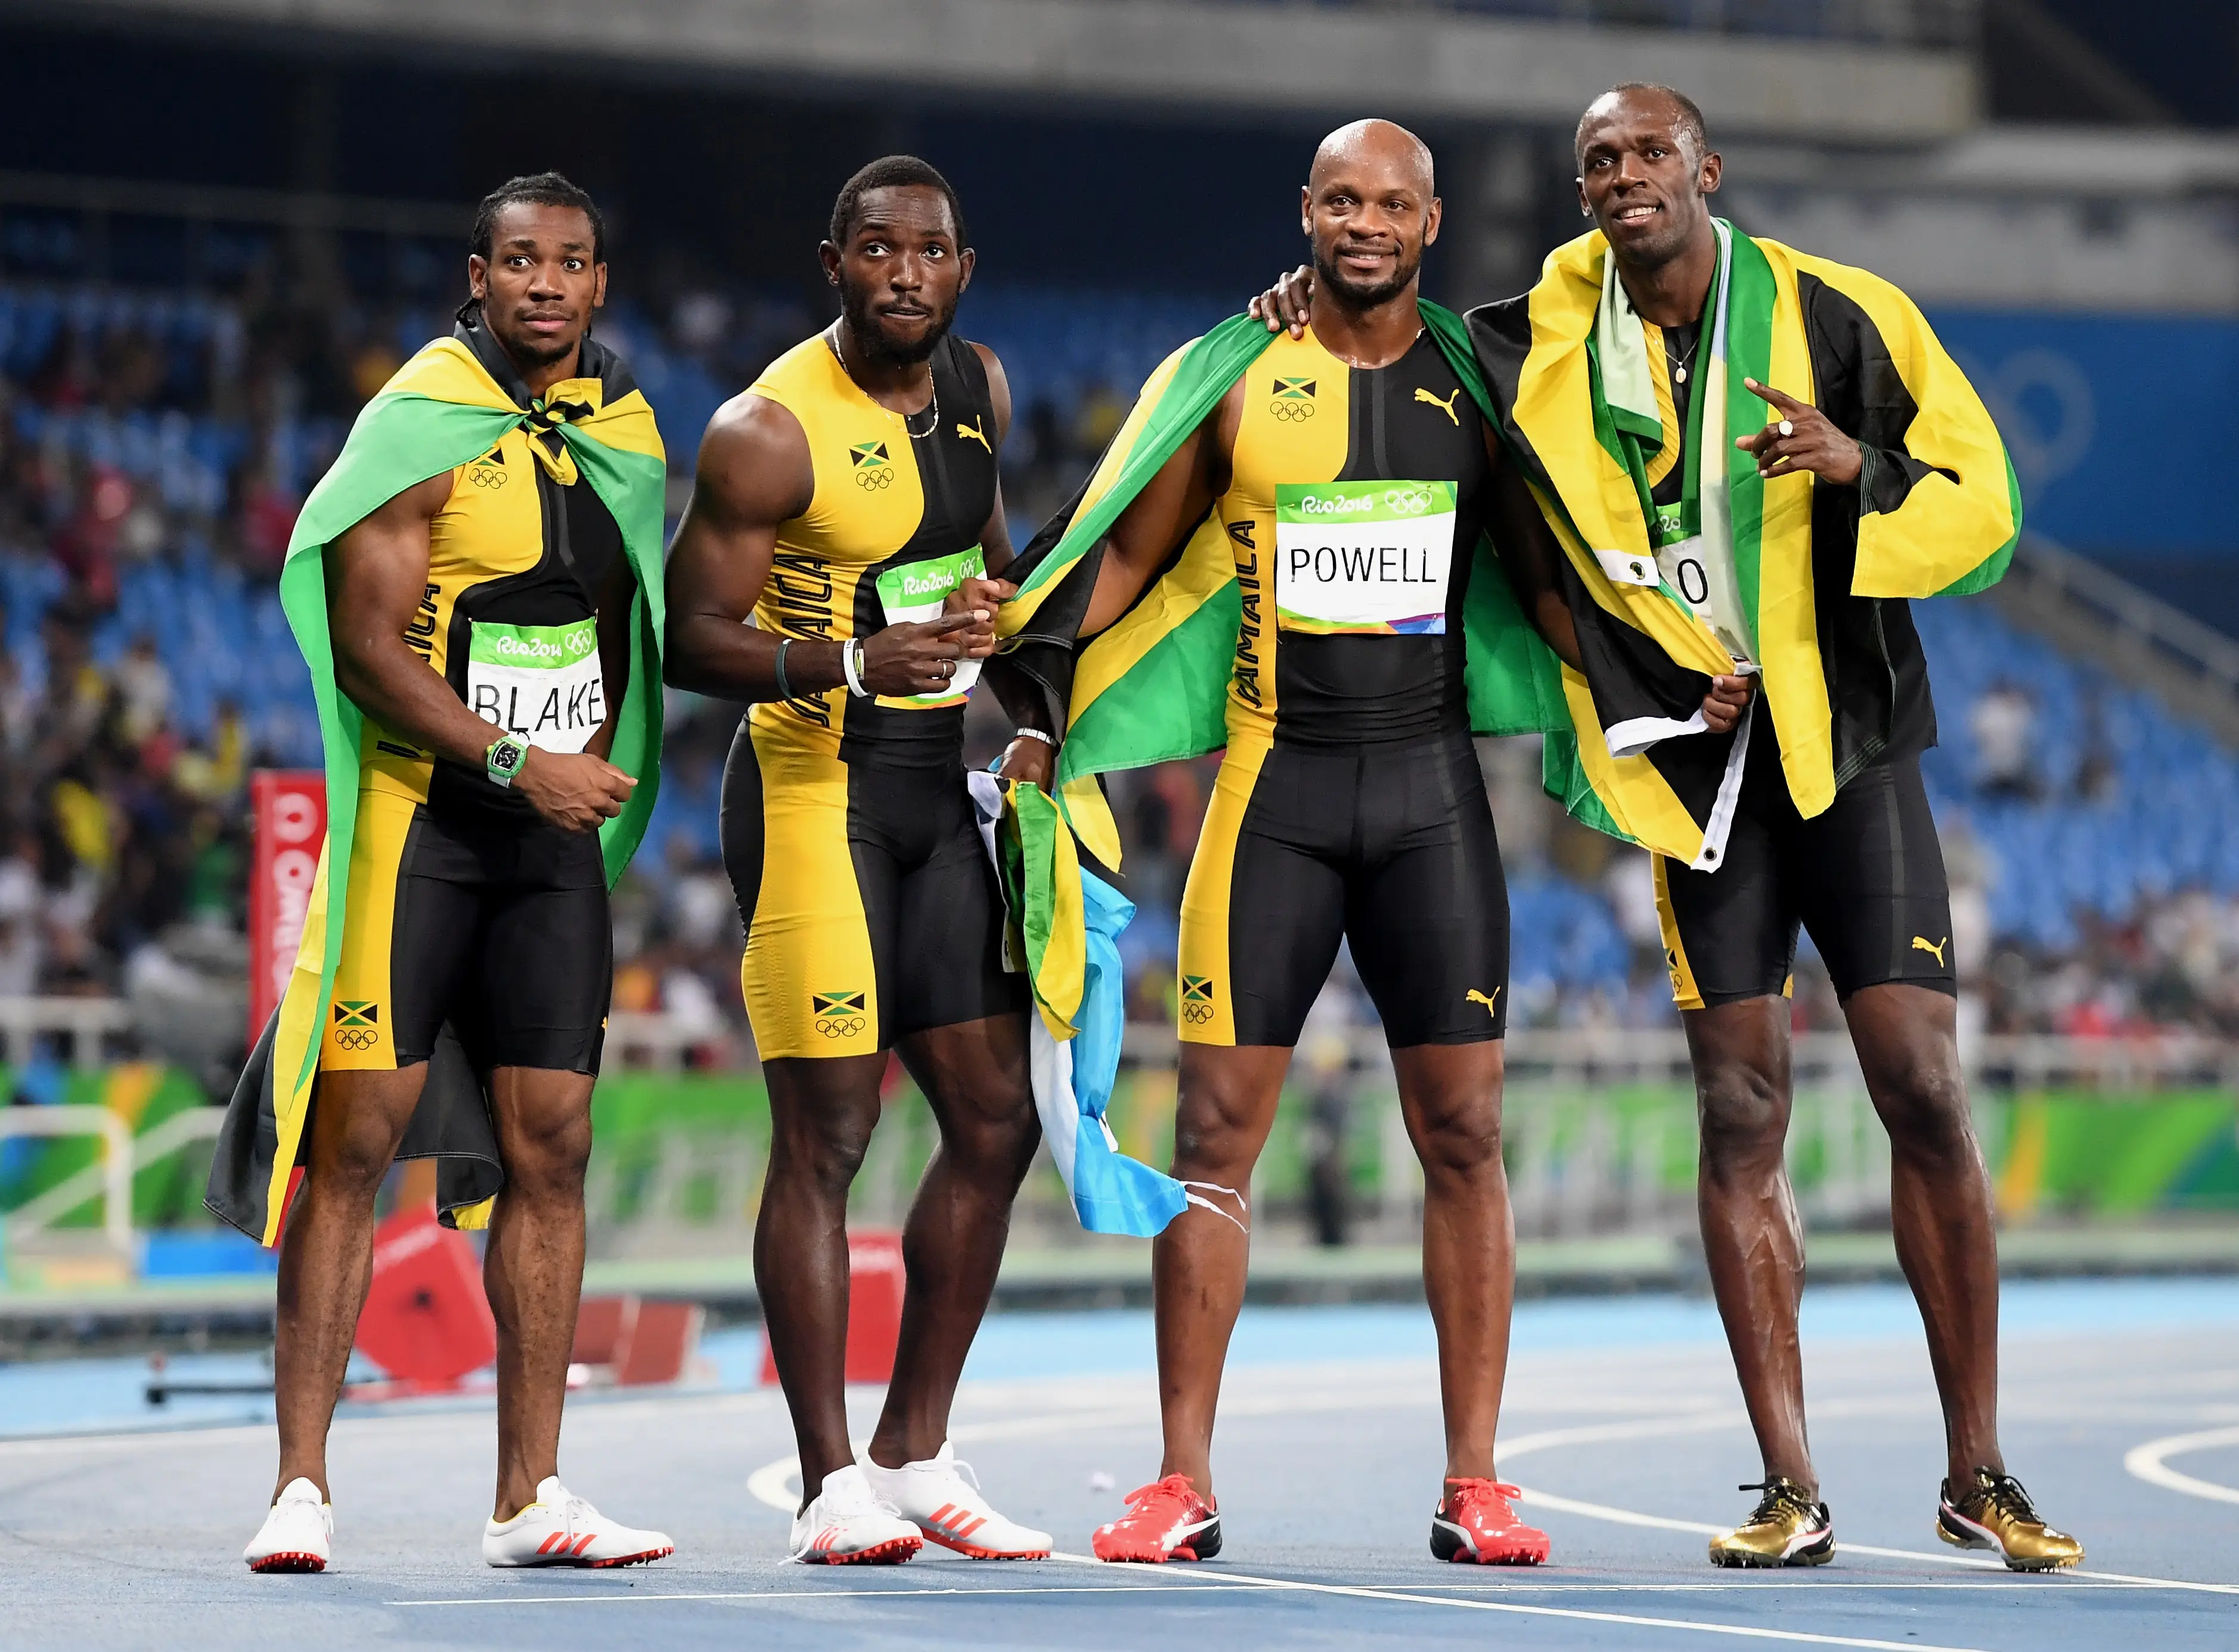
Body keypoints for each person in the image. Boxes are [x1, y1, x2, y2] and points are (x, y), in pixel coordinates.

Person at [1255, 81, 2082, 1572]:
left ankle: (1981, 1471)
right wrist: (1294, 301)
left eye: (1649, 153)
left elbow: (1989, 498)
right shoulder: (1543, 335)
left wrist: (1858, 473)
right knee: (1740, 1106)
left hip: (1845, 750)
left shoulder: (1845, 315)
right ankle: (1790, 1483)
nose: (1625, 177)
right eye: (1598, 163)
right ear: (1582, 194)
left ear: (1710, 165)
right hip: (1695, 768)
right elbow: (1410, 334)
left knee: (1921, 1084)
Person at [1000, 119, 1731, 1568]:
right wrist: (1037, 702)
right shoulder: (1235, 374)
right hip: (1270, 797)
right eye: (1343, 199)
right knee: (1215, 1137)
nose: (1367, 223)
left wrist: (1666, 675)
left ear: (1434, 219)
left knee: (1464, 1137)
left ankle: (1477, 1482)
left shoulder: (1480, 378)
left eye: (1393, 202)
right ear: (1310, 212)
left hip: (1432, 808)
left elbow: (1557, 581)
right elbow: (1125, 555)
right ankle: (1180, 1482)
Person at [214, 172, 674, 1573]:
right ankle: (301, 1486)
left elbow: (615, 629)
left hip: (550, 856)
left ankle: (530, 1497)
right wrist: (512, 763)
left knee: (555, 1153)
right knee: (353, 1150)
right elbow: (370, 651)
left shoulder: (627, 432)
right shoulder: (418, 423)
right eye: (521, 262)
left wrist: (577, 757)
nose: (547, 284)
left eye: (574, 263)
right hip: (425, 834)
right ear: (475, 277)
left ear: (601, 284)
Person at [663, 155, 1052, 1565]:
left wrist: (1042, 730)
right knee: (828, 1135)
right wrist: (843, 655)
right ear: (833, 263)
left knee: (996, 1118)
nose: (905, 273)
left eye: (931, 251)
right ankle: (831, 1481)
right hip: (810, 789)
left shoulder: (982, 391)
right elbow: (686, 637)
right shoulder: (766, 429)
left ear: (962, 267)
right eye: (877, 250)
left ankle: (917, 1450)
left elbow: (988, 577)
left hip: (932, 793)